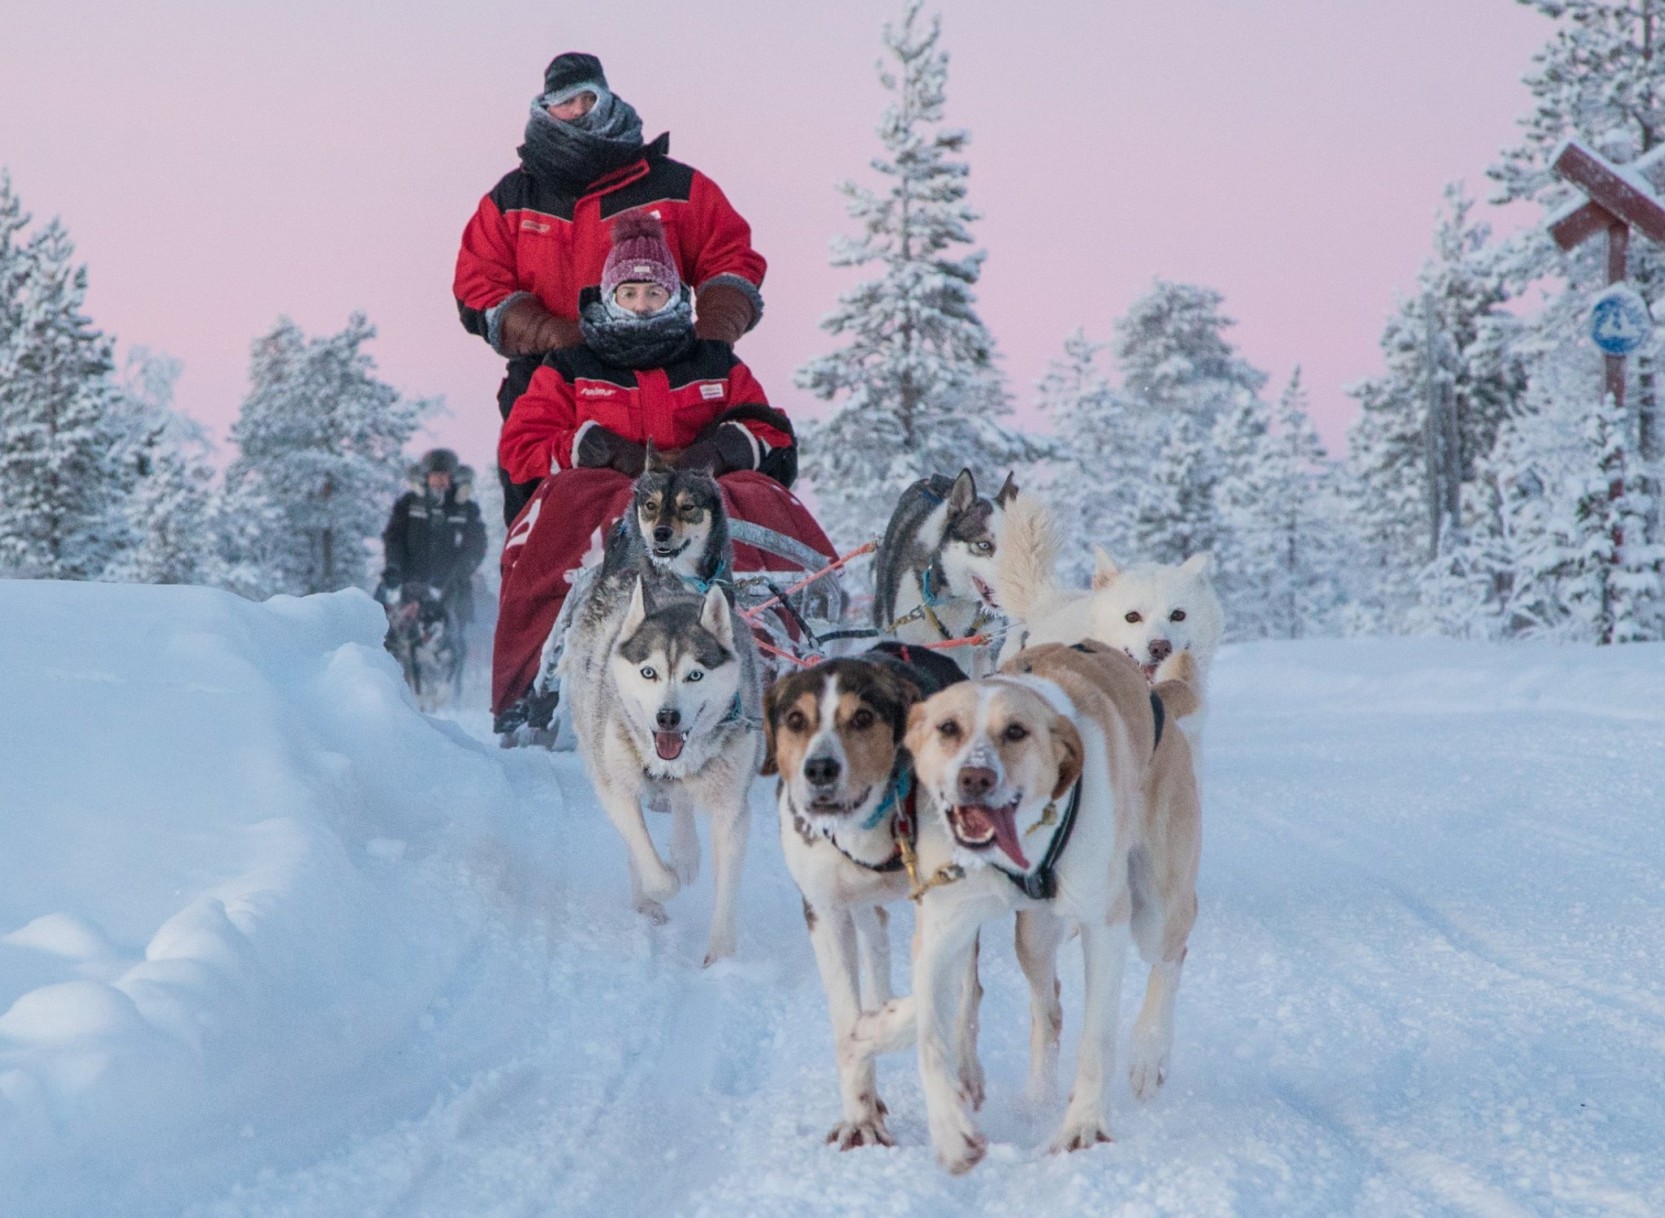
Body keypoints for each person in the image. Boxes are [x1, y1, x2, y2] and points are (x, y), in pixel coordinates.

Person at [491, 213, 832, 737]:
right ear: (610, 296)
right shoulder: (570, 366)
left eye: (654, 291)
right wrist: (586, 446)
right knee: (572, 499)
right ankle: (535, 678)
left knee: (754, 494)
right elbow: (522, 445)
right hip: (610, 488)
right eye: (629, 292)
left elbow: (771, 431)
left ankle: (784, 639)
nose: (642, 303)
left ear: (675, 296)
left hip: (702, 491)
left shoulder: (713, 362)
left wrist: (727, 445)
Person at [454, 51, 767, 524]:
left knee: (711, 508)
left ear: (606, 97)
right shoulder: (512, 199)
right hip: (553, 377)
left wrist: (714, 335)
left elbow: (731, 255)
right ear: (543, 109)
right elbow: (478, 283)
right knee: (539, 526)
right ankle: (541, 600)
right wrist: (552, 334)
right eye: (564, 102)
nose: (578, 110)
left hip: (671, 371)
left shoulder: (676, 185)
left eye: (587, 97)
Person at [377, 449, 489, 628]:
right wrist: (394, 565)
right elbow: (394, 538)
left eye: (444, 476)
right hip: (410, 580)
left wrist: (464, 568)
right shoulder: (408, 504)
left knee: (454, 630)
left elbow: (477, 544)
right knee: (390, 619)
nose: (440, 481)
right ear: (425, 477)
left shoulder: (466, 509)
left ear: (453, 478)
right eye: (435, 476)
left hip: (452, 584)